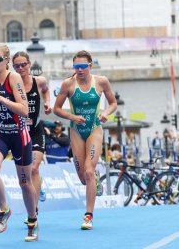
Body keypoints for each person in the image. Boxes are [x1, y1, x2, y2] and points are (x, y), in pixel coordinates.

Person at [0, 43, 38, 242]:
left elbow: (24, 110)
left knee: (25, 182)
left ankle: (32, 221)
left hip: (19, 135)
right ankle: (4, 209)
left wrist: (2, 100)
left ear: (6, 61)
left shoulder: (14, 78)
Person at [53, 50, 117, 230]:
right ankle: (93, 179)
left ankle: (88, 215)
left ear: (90, 66)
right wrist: (72, 117)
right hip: (76, 131)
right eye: (76, 67)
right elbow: (57, 109)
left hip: (94, 128)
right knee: (83, 178)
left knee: (89, 171)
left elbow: (113, 103)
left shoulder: (101, 81)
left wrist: (105, 113)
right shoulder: (68, 84)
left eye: (83, 67)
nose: (79, 70)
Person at [12, 51, 52, 208]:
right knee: (27, 172)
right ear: (13, 67)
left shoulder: (39, 81)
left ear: (29, 64)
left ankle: (34, 210)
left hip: (35, 130)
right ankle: (37, 188)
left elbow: (46, 90)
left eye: (23, 64)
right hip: (20, 132)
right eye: (17, 66)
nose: (21, 68)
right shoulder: (11, 85)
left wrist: (47, 103)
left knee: (34, 168)